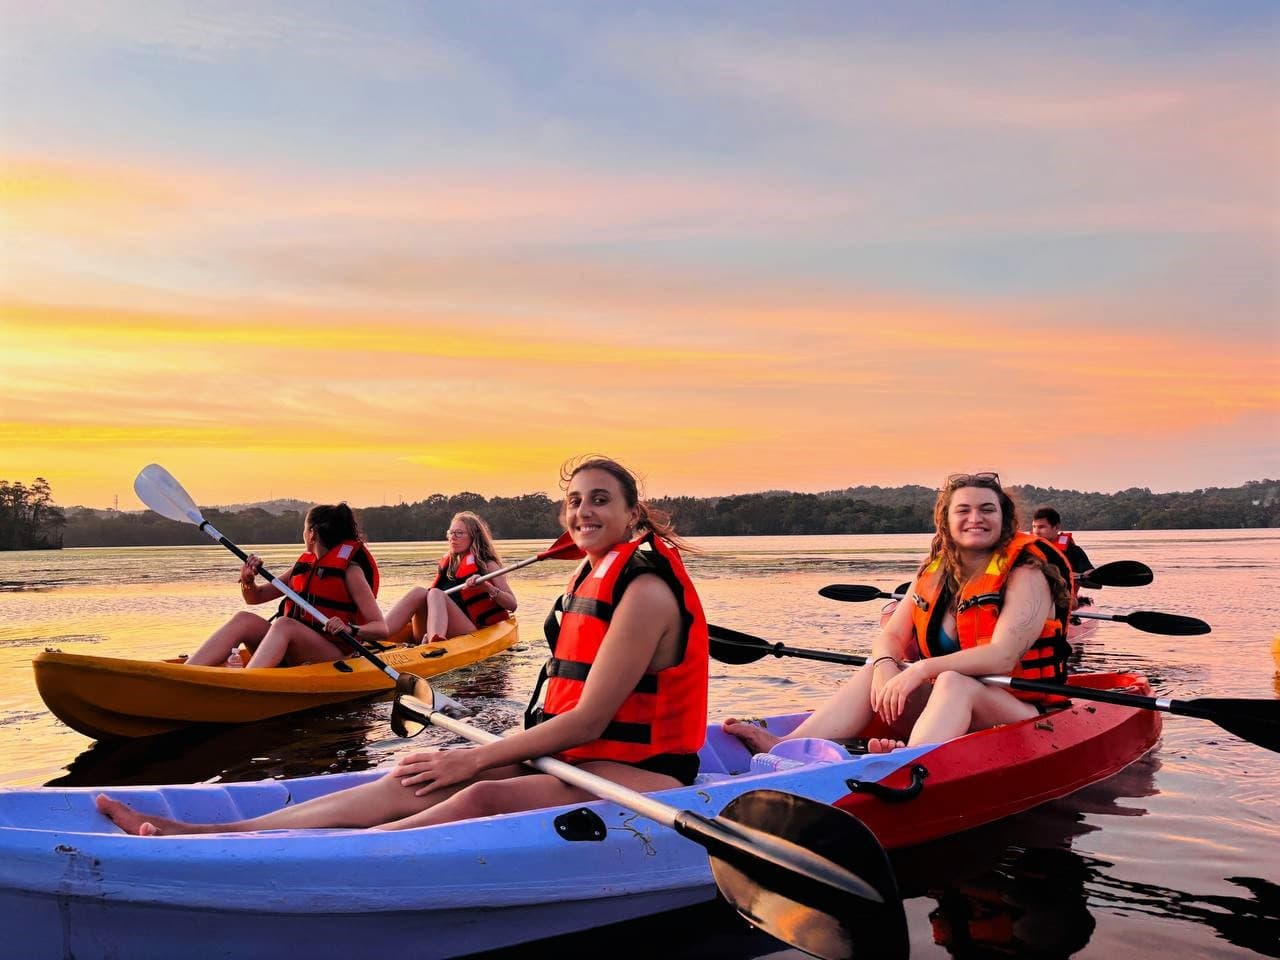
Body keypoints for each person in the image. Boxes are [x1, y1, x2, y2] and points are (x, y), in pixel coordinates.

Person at [96, 456, 709, 835]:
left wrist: (474, 758)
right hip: (575, 759)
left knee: (484, 792)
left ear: (633, 514)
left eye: (601, 500)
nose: (583, 512)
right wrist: (472, 757)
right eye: (574, 501)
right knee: (411, 779)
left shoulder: (647, 590)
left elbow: (590, 718)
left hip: (642, 771)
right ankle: (229, 832)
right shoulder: (593, 571)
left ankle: (330, 852)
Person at [724, 472, 1073, 754]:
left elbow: (1001, 656)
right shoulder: (935, 572)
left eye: (987, 510)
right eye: (963, 510)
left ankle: (907, 761)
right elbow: (891, 636)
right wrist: (884, 667)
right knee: (879, 668)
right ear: (946, 521)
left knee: (952, 681)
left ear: (1005, 519)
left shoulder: (1027, 573)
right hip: (950, 707)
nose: (975, 519)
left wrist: (920, 669)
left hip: (1022, 713)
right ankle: (787, 747)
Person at [183, 503, 387, 669]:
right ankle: (189, 672)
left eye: (305, 528)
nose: (303, 533)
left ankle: (248, 681)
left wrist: (350, 629)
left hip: (333, 653)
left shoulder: (351, 572)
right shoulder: (303, 568)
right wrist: (248, 581)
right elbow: (255, 598)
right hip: (294, 647)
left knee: (284, 624)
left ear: (312, 533)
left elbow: (381, 628)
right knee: (244, 619)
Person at [381, 512, 516, 645]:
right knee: (419, 592)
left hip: (472, 632)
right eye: (451, 533)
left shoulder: (487, 565)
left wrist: (487, 587)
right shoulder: (449, 565)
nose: (453, 537)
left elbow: (512, 604)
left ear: (474, 537)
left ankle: (435, 642)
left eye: (459, 533)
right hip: (433, 632)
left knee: (435, 593)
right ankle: (377, 634)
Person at [1029, 506, 1094, 578]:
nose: (1036, 532)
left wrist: (1088, 574)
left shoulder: (1074, 551)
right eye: (1034, 527)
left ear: (1056, 527)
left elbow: (1094, 581)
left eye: (1041, 527)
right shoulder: (1026, 550)